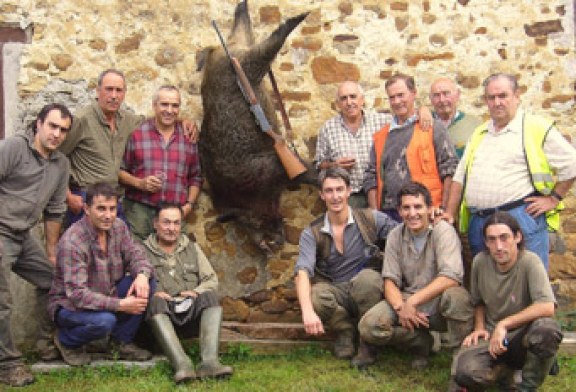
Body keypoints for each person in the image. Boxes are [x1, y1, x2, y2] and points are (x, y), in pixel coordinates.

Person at [443, 73, 576, 269]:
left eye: (503, 96)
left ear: (517, 95)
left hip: (520, 219)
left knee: (529, 286)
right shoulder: (480, 133)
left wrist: (554, 198)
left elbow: (572, 163)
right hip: (480, 223)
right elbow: (459, 178)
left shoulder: (534, 127)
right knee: (488, 288)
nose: (497, 102)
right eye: (491, 97)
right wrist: (449, 213)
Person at [59, 69, 199, 227]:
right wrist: (69, 196)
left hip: (114, 202)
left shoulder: (129, 121)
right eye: (109, 89)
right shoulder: (81, 120)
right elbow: (55, 158)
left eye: (118, 90)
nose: (113, 95)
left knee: (116, 249)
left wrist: (183, 121)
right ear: (98, 91)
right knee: (84, 249)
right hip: (86, 199)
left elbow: (161, 118)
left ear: (124, 93)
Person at [357, 182, 472, 370]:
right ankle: (420, 341)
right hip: (407, 299)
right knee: (369, 327)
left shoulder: (443, 231)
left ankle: (460, 361)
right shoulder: (395, 235)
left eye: (418, 206)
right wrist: (401, 306)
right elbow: (390, 280)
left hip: (438, 303)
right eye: (406, 208)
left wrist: (413, 302)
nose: (412, 213)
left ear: (428, 208)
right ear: (399, 211)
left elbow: (451, 277)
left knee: (457, 297)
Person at [0, 104, 72, 387]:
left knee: (54, 281)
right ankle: (7, 364)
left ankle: (45, 343)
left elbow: (54, 212)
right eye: (52, 126)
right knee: (1, 300)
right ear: (39, 124)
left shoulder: (60, 165)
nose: (56, 134)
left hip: (23, 237)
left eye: (63, 130)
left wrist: (52, 253)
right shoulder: (14, 148)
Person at [449, 211, 562, 391]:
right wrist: (479, 328)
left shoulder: (530, 262)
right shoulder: (480, 261)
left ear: (517, 237)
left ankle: (527, 386)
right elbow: (478, 302)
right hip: (493, 337)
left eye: (504, 238)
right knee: (464, 373)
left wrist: (505, 324)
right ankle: (505, 373)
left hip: (522, 336)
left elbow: (547, 306)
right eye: (492, 240)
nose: (499, 246)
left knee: (547, 329)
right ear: (486, 242)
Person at [294, 167, 397, 361]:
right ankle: (345, 332)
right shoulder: (312, 232)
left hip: (367, 288)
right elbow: (302, 272)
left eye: (340, 189)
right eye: (329, 191)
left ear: (349, 191)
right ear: (321, 195)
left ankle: (368, 341)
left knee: (368, 279)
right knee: (315, 296)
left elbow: (403, 236)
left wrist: (430, 218)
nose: (335, 196)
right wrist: (307, 312)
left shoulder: (371, 219)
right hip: (337, 290)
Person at [48, 182, 154, 366]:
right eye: (101, 209)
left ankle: (120, 343)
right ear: (87, 209)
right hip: (70, 306)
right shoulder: (73, 241)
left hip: (106, 294)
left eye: (112, 209)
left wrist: (143, 275)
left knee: (146, 284)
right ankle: (65, 341)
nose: (108, 216)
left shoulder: (118, 227)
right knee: (104, 322)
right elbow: (77, 295)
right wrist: (120, 304)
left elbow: (137, 255)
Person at [143, 204, 232, 382]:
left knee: (209, 297)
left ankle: (210, 363)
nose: (172, 228)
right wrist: (153, 293)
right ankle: (182, 365)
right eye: (166, 223)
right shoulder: (142, 251)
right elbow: (134, 282)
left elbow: (211, 280)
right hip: (159, 320)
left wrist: (195, 292)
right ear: (155, 224)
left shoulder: (192, 248)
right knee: (155, 302)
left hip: (189, 315)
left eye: (176, 223)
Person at [315, 81, 432, 208]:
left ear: (362, 99)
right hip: (348, 196)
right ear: (338, 104)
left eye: (353, 97)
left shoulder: (383, 121)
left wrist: (423, 110)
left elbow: (407, 118)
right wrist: (334, 165)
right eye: (344, 99)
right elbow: (319, 164)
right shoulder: (328, 128)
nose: (349, 102)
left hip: (379, 192)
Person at [364, 73, 458, 222]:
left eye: (401, 95)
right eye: (392, 97)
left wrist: (443, 208)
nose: (397, 101)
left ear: (413, 93)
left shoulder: (433, 127)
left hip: (427, 212)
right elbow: (371, 176)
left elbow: (450, 170)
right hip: (390, 215)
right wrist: (376, 214)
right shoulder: (381, 136)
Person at [119, 85, 202, 240]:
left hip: (174, 216)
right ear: (154, 105)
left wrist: (189, 205)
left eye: (175, 105)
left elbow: (195, 177)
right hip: (140, 212)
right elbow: (120, 171)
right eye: (164, 104)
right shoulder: (137, 134)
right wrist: (140, 183)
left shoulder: (189, 137)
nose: (169, 110)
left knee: (173, 261)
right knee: (138, 259)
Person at [429, 77, 482, 159]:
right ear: (431, 99)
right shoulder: (424, 123)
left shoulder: (474, 125)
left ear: (457, 95)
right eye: (436, 95)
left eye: (446, 93)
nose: (442, 100)